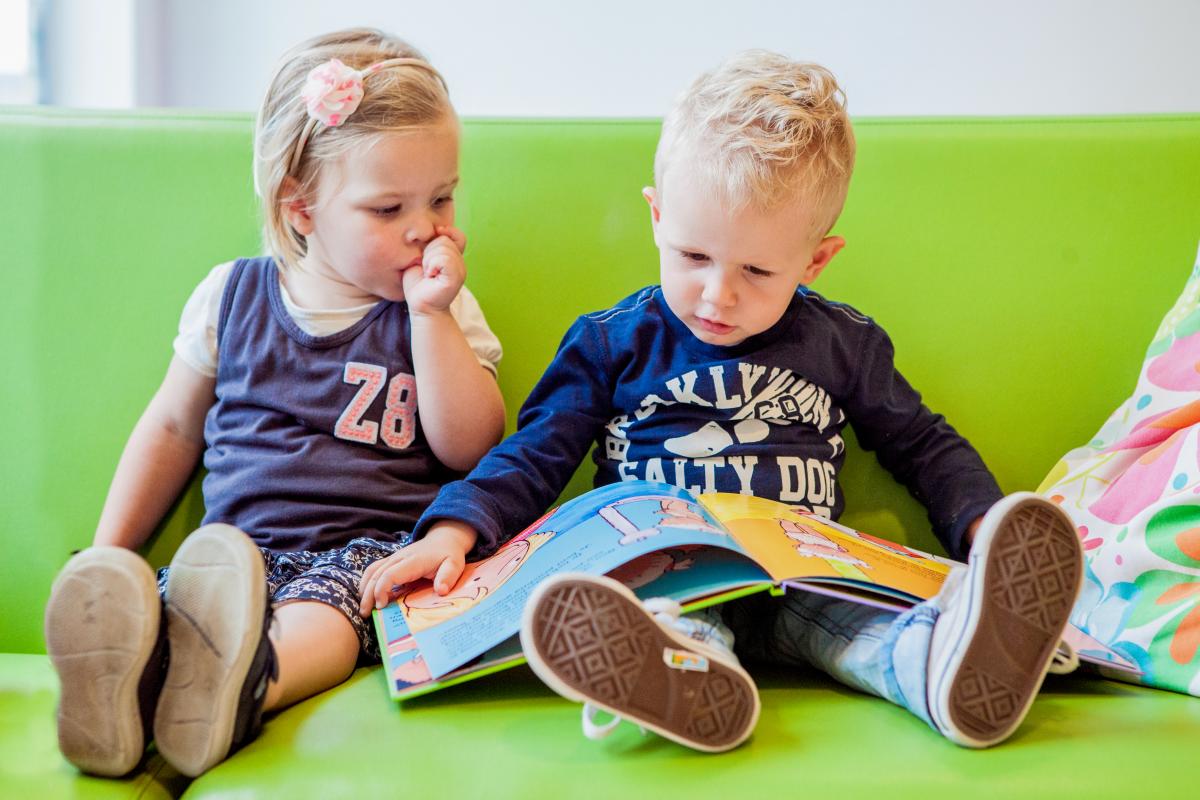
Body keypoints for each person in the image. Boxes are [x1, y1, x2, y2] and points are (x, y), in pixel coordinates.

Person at [359, 50, 1084, 753]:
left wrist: (986, 529)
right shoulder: (613, 342)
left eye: (759, 270)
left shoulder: (843, 344)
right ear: (657, 219)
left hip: (799, 573)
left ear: (817, 259)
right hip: (669, 568)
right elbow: (537, 451)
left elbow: (922, 444)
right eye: (694, 257)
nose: (717, 294)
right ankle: (683, 683)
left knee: (860, 628)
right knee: (665, 617)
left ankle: (944, 664)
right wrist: (454, 531)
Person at [43, 28, 505, 778]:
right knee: (161, 609)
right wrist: (111, 550)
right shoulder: (232, 297)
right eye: (388, 208)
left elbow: (474, 447)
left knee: (327, 618)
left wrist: (431, 318)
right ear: (301, 210)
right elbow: (169, 428)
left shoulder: (441, 311)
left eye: (443, 197)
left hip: (364, 555)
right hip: (226, 563)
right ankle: (127, 690)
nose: (426, 228)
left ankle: (249, 684)